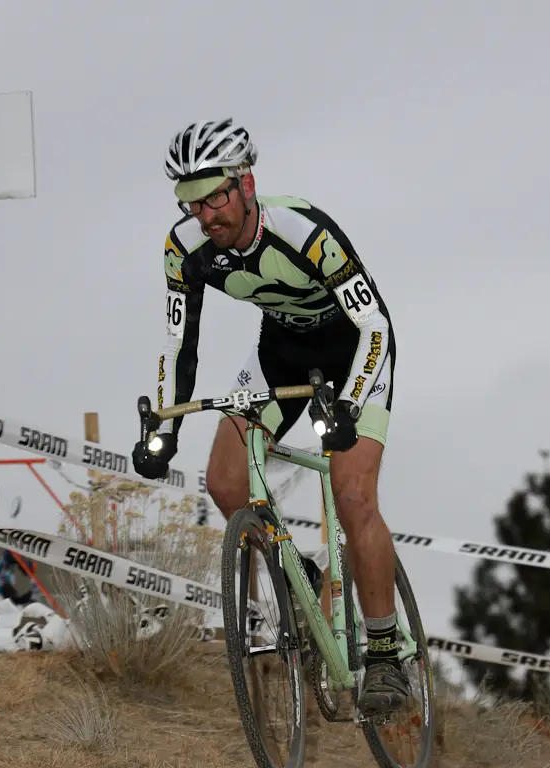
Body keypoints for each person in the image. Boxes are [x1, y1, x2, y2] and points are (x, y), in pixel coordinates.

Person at [132, 118, 409, 715]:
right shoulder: (184, 249)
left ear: (246, 183)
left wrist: (350, 405)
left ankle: (385, 652)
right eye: (191, 203)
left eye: (215, 197)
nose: (206, 216)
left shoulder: (305, 231)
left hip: (356, 354)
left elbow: (374, 325)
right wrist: (163, 428)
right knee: (225, 482)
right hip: (279, 356)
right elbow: (180, 342)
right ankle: (302, 580)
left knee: (353, 494)